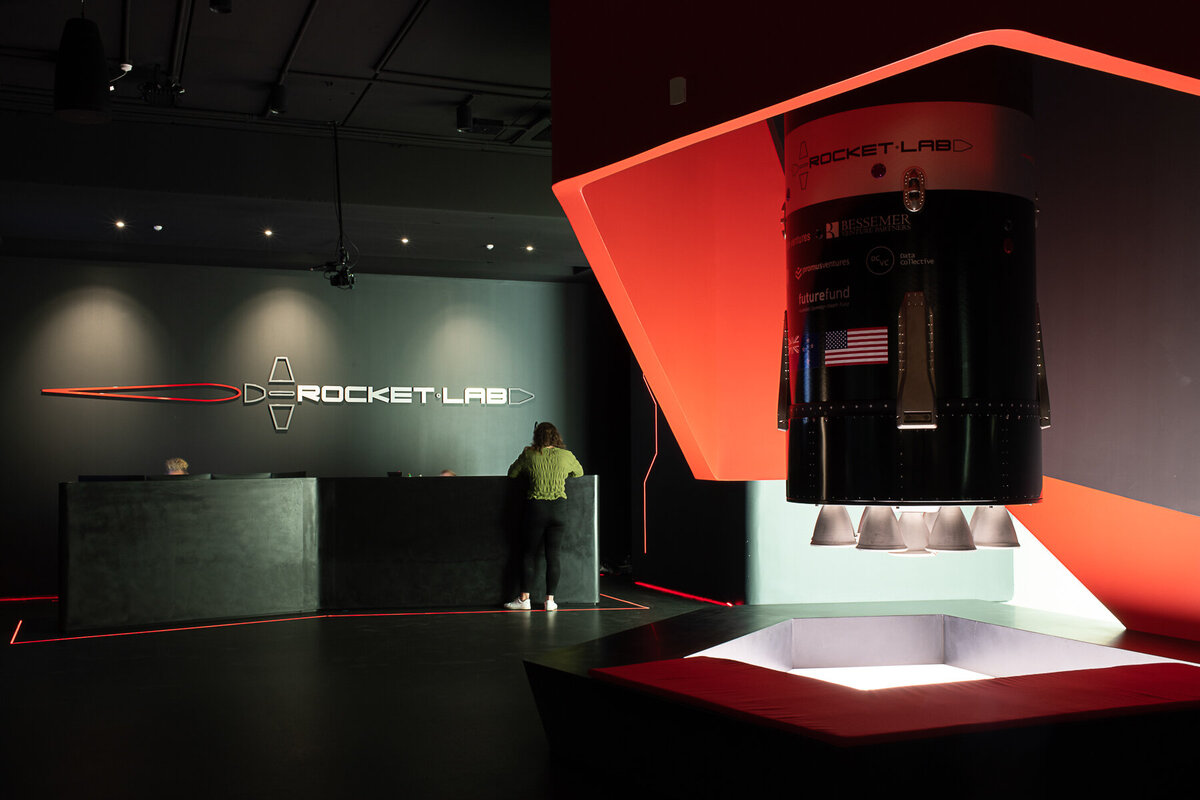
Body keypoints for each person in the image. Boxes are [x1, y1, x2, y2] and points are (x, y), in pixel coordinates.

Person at [503, 422, 583, 611]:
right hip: (559, 510)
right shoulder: (566, 455)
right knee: (553, 556)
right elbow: (579, 472)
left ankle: (524, 600)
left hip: (536, 509)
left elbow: (511, 473)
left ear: (537, 436)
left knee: (528, 554)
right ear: (556, 436)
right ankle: (550, 601)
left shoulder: (529, 454)